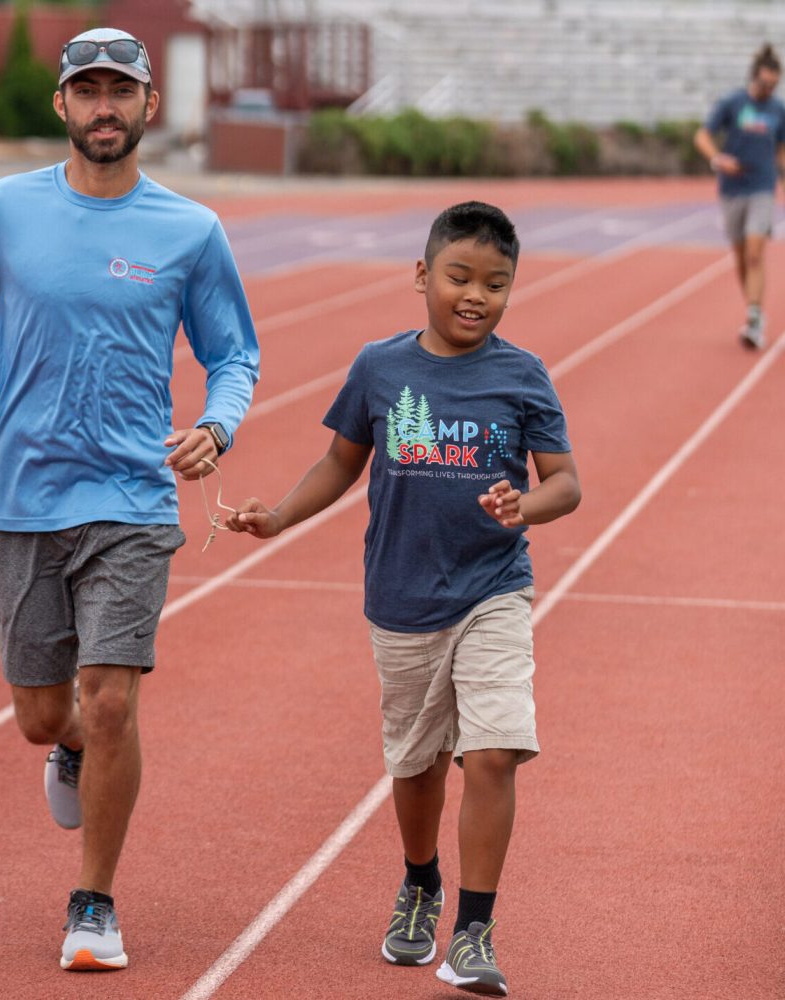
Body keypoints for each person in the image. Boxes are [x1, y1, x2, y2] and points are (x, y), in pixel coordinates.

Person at [0, 27, 259, 972]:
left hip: (134, 499)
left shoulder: (190, 230)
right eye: (88, 90)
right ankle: (61, 746)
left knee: (111, 703)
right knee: (43, 713)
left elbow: (233, 353)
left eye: (122, 90)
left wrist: (217, 424)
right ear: (61, 106)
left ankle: (94, 902)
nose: (104, 106)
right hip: (23, 498)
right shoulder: (2, 209)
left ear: (150, 106)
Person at [228, 202, 580, 996]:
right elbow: (339, 462)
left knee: (493, 751)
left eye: (496, 284)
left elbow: (567, 483)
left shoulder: (522, 376)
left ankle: (474, 932)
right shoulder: (379, 369)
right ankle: (420, 881)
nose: (475, 296)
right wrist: (279, 516)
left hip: (494, 588)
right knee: (417, 766)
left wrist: (528, 506)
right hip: (402, 597)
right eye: (459, 276)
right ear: (422, 275)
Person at [694, 43, 785, 350]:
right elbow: (703, 135)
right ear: (753, 78)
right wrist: (718, 159)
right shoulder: (732, 102)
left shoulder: (778, 109)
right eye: (764, 84)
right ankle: (754, 312)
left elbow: (782, 147)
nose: (768, 90)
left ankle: (755, 318)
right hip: (733, 189)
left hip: (763, 186)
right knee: (741, 258)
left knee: (756, 252)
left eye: (774, 85)